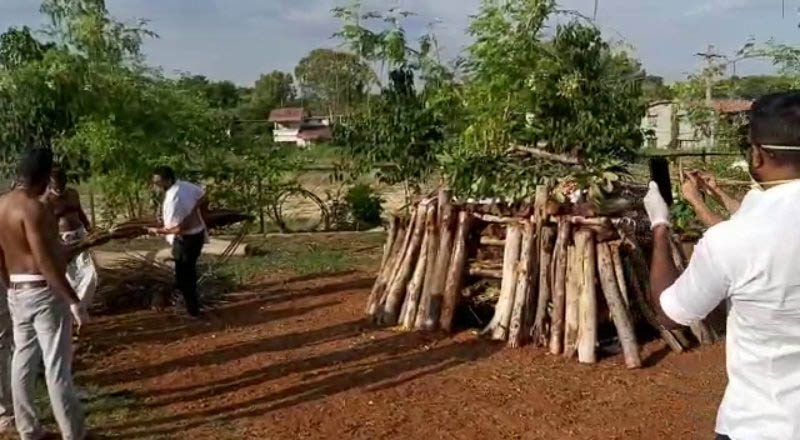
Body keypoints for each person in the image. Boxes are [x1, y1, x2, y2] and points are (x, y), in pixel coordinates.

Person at [644, 92, 800, 440]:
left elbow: (670, 313)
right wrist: (707, 197)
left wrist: (659, 225)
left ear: (756, 155)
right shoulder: (741, 232)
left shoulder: (733, 241)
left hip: (762, 424)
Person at [0, 148, 88, 440]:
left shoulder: (1, 205)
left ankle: (28, 429)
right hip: (43, 291)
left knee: (22, 358)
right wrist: (74, 300)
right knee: (56, 364)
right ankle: (72, 433)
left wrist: (10, 285)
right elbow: (45, 263)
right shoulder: (34, 209)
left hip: (16, 290)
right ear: (46, 175)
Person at [148, 166, 208, 317]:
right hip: (197, 234)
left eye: (158, 182)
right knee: (188, 272)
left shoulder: (174, 199)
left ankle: (193, 310)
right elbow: (203, 196)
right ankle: (192, 306)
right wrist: (196, 211)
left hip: (185, 240)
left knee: (184, 277)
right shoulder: (186, 186)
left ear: (168, 180)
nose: (156, 186)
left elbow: (178, 228)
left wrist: (157, 231)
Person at [43, 167, 98, 322]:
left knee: (91, 273)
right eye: (56, 184)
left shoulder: (73, 193)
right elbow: (47, 224)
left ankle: (79, 306)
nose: (59, 187)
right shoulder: (47, 200)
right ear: (50, 183)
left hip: (80, 236)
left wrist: (90, 229)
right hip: (63, 239)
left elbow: (80, 212)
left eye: (62, 182)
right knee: (70, 277)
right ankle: (73, 311)